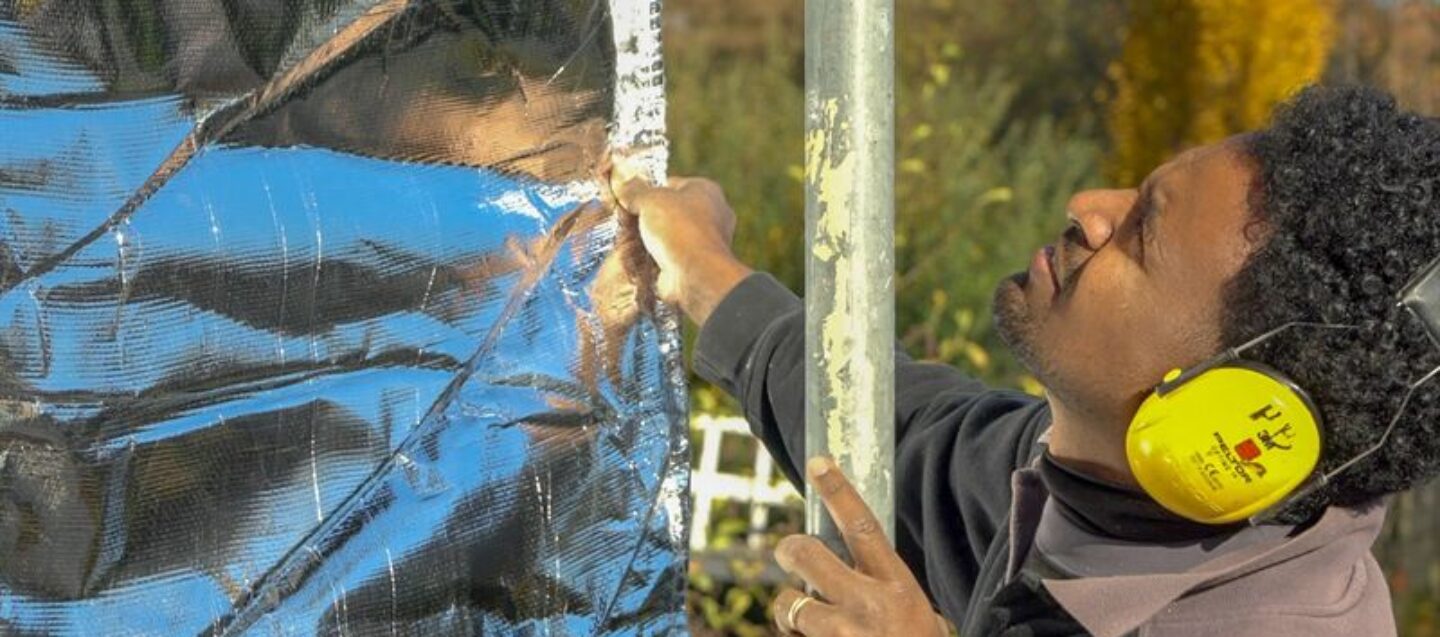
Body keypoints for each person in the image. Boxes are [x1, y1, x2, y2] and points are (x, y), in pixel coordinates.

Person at [611, 85, 1440, 636]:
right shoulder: (1082, 493)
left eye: (1141, 234)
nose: (1089, 208)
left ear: (1221, 418)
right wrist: (707, 271)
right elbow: (896, 422)